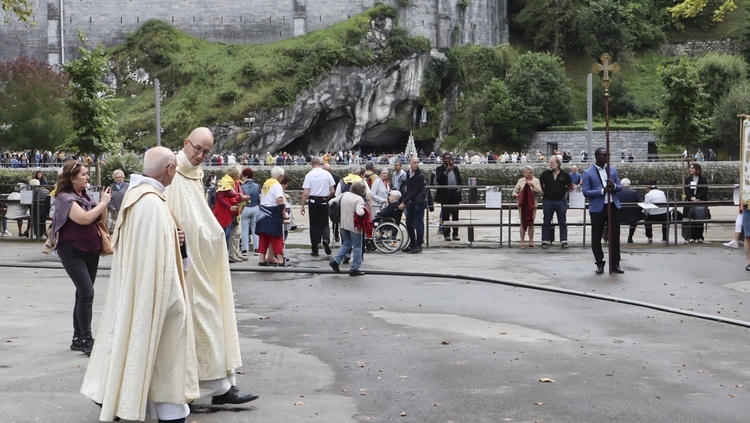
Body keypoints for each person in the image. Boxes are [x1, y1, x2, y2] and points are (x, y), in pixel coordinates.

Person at [81, 147, 199, 423]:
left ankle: (120, 395)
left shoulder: (136, 196)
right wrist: (176, 303)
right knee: (164, 352)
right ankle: (169, 411)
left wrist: (175, 239)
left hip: (137, 291)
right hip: (154, 294)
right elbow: (160, 264)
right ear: (170, 169)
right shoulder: (153, 205)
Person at [163, 127, 257, 407]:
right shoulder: (171, 171)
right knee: (199, 319)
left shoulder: (195, 174)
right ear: (185, 143)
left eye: (206, 151)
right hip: (181, 262)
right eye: (197, 148)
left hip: (199, 258)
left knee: (208, 316)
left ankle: (219, 386)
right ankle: (206, 390)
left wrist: (211, 234)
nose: (200, 155)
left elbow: (198, 215)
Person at [50, 160, 112, 354]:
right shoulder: (65, 198)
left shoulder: (86, 195)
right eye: (83, 174)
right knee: (87, 293)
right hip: (72, 251)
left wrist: (103, 203)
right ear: (72, 178)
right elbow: (84, 219)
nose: (87, 177)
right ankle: (85, 337)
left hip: (91, 250)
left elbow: (100, 219)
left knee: (82, 293)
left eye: (87, 173)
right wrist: (102, 203)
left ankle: (78, 337)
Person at [583, 147, 624, 274]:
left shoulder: (612, 170)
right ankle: (599, 262)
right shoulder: (588, 172)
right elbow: (586, 192)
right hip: (598, 208)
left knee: (615, 235)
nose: (607, 157)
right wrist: (602, 191)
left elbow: (620, 188)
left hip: (612, 205)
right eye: (604, 155)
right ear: (597, 156)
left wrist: (614, 186)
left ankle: (615, 263)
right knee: (596, 236)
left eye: (608, 155)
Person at [329, 181, 367, 276]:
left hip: (342, 224)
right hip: (354, 226)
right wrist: (364, 210)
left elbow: (331, 202)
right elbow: (360, 213)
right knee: (357, 246)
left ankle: (336, 260)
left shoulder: (344, 195)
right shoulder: (359, 199)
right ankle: (355, 268)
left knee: (347, 243)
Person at [300, 156, 336, 257]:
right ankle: (325, 239)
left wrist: (302, 205)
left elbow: (305, 193)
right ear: (320, 163)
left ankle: (315, 248)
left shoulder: (309, 175)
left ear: (311, 164)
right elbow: (332, 190)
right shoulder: (327, 174)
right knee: (324, 223)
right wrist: (326, 197)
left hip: (313, 201)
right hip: (324, 200)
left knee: (314, 224)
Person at [539, 155, 574, 249]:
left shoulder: (565, 175)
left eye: (552, 163)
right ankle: (545, 240)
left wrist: (563, 191)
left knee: (562, 221)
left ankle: (564, 240)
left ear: (558, 164)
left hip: (560, 201)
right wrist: (546, 191)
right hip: (548, 201)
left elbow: (570, 185)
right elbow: (541, 184)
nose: (550, 164)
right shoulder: (545, 174)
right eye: (550, 162)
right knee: (546, 221)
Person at [212, 165, 246, 262]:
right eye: (237, 175)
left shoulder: (230, 181)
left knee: (228, 234)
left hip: (228, 212)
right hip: (223, 213)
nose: (238, 178)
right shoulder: (225, 182)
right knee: (224, 234)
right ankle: (221, 256)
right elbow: (220, 198)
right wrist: (230, 206)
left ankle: (225, 255)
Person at [256, 166, 288, 266]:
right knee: (277, 237)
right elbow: (279, 200)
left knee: (263, 237)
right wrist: (284, 213)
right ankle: (280, 260)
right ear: (280, 176)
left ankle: (262, 259)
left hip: (263, 213)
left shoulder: (266, 183)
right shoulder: (277, 185)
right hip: (273, 213)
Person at [398, 156, 426, 253]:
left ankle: (418, 245)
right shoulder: (408, 173)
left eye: (417, 162)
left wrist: (404, 202)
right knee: (409, 223)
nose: (416, 164)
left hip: (418, 202)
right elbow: (408, 189)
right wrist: (406, 200)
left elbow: (414, 191)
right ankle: (412, 243)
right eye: (414, 162)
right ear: (410, 163)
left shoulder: (420, 175)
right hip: (411, 202)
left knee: (418, 224)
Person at [434, 152, 463, 242]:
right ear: (443, 159)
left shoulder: (455, 168)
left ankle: (455, 233)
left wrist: (459, 187)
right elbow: (439, 180)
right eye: (445, 158)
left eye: (449, 158)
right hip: (445, 194)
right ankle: (446, 234)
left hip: (455, 193)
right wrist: (446, 171)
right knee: (445, 215)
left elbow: (459, 180)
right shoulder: (439, 168)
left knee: (455, 215)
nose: (447, 160)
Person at [511, 166, 542, 249]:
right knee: (522, 222)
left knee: (531, 223)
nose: (524, 174)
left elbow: (540, 191)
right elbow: (515, 191)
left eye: (526, 172)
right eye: (524, 172)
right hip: (522, 205)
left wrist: (532, 185)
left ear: (530, 172)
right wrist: (515, 194)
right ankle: (522, 241)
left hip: (532, 205)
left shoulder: (536, 181)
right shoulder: (520, 181)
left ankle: (531, 241)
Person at [683, 163, 708, 243]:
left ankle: (699, 236)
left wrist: (698, 197)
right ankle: (691, 236)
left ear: (697, 169)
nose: (690, 169)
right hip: (690, 200)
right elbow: (686, 190)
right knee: (690, 218)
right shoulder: (688, 179)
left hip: (700, 200)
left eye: (692, 168)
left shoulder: (702, 179)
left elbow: (704, 190)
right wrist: (691, 197)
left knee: (700, 218)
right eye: (690, 168)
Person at [239, 167, 260, 255]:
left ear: (246, 176)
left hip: (245, 208)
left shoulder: (242, 187)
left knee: (244, 229)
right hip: (255, 207)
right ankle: (257, 249)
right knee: (255, 229)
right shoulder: (257, 186)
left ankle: (244, 249)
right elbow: (259, 198)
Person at [618, 178, 643, 244]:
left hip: (619, 217)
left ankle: (617, 237)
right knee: (640, 216)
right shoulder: (634, 192)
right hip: (632, 217)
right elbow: (640, 204)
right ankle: (630, 237)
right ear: (629, 185)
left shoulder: (617, 192)